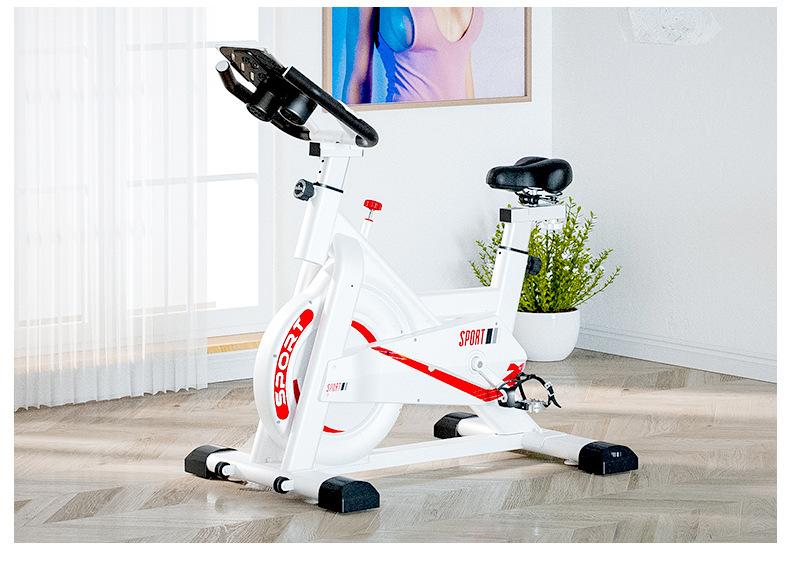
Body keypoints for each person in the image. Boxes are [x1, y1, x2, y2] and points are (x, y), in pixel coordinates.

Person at [343, 7, 483, 104]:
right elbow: (357, 79)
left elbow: (463, 70)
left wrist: (473, 128)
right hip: (405, 128)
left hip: (460, 129)